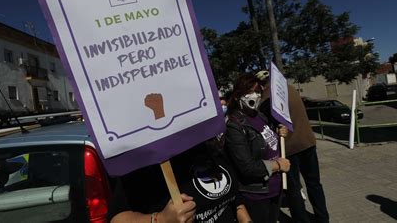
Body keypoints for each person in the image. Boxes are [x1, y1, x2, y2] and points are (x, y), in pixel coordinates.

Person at [108, 138, 253, 223]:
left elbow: (232, 194)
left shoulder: (205, 142)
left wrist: (245, 219)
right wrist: (161, 219)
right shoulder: (145, 159)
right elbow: (117, 218)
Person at [256, 70, 329, 223]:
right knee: (314, 184)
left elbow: (264, 125)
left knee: (293, 189)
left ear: (261, 86)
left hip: (289, 148)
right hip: (307, 142)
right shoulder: (289, 89)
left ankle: (301, 220)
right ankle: (323, 218)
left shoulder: (266, 100)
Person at [224, 73, 291, 223]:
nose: (254, 95)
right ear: (237, 96)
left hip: (275, 188)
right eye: (248, 92)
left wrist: (279, 133)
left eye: (257, 91)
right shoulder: (234, 126)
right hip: (256, 195)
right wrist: (278, 165)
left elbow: (268, 144)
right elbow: (247, 167)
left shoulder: (260, 116)